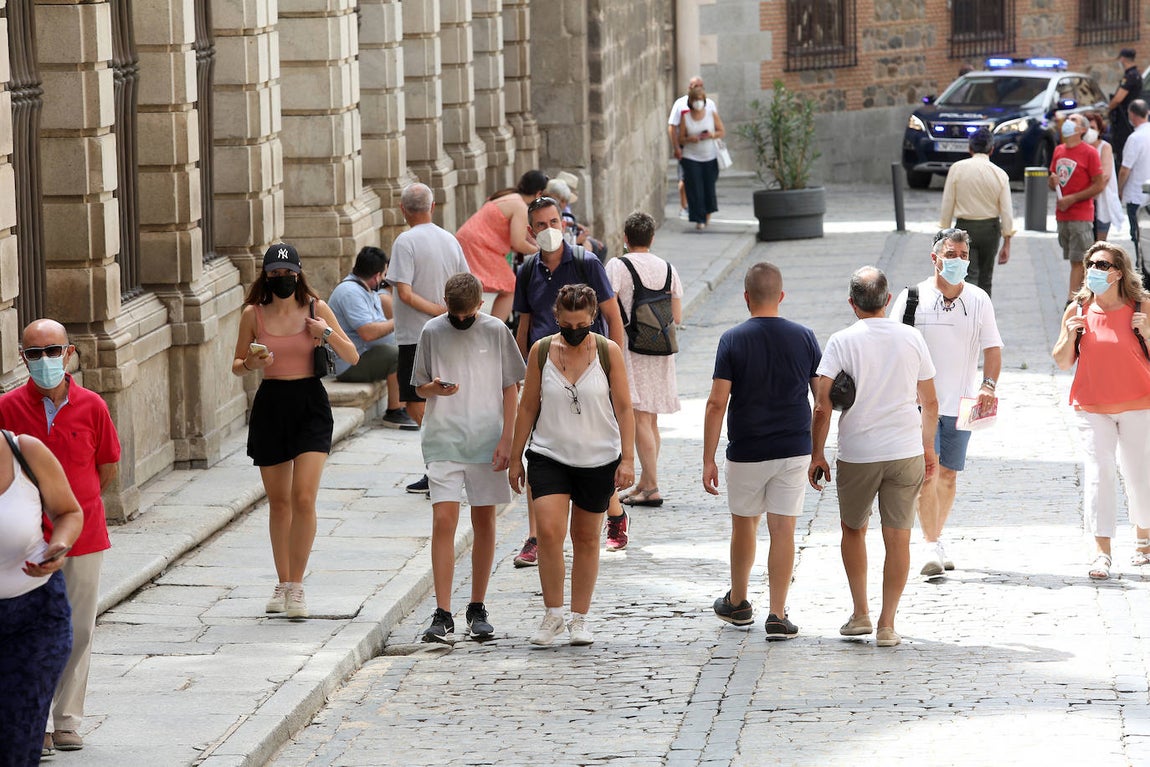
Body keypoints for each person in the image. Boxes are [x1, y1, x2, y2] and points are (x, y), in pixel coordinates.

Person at [0, 319, 122, 755]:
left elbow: (107, 467)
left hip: (83, 535)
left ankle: (67, 719)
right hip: (25, 543)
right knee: (32, 636)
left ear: (68, 353)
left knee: (79, 630)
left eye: (54, 351)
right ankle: (37, 725)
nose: (46, 360)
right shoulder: (7, 408)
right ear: (23, 358)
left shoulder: (92, 406)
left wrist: (75, 507)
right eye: (35, 354)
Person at [809, 266, 939, 648]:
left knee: (854, 529)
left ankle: (860, 613)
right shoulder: (912, 338)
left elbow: (821, 406)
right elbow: (930, 402)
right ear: (886, 300)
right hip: (904, 450)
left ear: (852, 303)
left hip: (859, 452)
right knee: (898, 538)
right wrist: (928, 447)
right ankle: (887, 624)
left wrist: (817, 453)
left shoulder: (841, 341)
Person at [232, 242, 359, 619]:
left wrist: (325, 333)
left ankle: (298, 587)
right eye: (275, 274)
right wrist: (253, 361)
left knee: (304, 497)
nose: (282, 279)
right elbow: (237, 365)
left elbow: (352, 355)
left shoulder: (316, 309)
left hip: (310, 405)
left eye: (288, 273)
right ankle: (283, 582)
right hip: (271, 404)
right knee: (280, 502)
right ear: (266, 276)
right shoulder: (252, 314)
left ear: (298, 273)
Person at [508, 284, 635, 646]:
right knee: (548, 532)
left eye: (581, 323)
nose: (574, 330)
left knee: (585, 538)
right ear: (557, 318)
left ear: (592, 318)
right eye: (567, 323)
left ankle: (580, 617)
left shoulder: (609, 353)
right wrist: (516, 457)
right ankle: (553, 614)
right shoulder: (542, 351)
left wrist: (628, 458)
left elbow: (625, 408)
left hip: (598, 458)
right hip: (549, 454)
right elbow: (528, 405)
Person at [702, 262, 820, 640]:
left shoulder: (733, 339)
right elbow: (821, 401)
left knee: (744, 524)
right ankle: (777, 613)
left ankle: (738, 602)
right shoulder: (804, 337)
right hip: (793, 446)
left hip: (747, 449)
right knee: (783, 528)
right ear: (781, 297)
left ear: (746, 298)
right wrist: (818, 451)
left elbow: (717, 403)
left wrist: (708, 458)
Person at [512, 196, 628, 562]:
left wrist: (613, 367)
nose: (549, 230)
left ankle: (615, 513)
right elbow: (524, 325)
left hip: (590, 367)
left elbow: (612, 316)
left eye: (554, 222)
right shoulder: (527, 271)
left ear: (564, 224)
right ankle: (535, 537)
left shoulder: (586, 262)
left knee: (591, 446)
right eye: (541, 225)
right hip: (545, 366)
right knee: (542, 451)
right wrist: (519, 373)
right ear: (531, 232)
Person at [412, 273, 525, 643]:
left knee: (484, 520)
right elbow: (419, 385)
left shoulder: (495, 331)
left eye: (467, 316)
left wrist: (509, 441)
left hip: (487, 440)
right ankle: (442, 612)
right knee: (444, 519)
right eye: (454, 316)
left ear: (480, 306)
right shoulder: (431, 331)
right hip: (443, 439)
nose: (460, 322)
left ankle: (477, 606)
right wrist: (436, 389)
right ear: (447, 306)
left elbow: (511, 388)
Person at [890, 229, 1004, 578]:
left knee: (950, 476)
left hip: (965, 401)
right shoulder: (912, 297)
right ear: (935, 257)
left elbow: (993, 348)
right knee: (928, 472)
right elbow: (893, 346)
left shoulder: (979, 299)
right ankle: (930, 543)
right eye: (951, 254)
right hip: (920, 405)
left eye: (963, 255)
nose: (958, 261)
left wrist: (988, 385)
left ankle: (935, 539)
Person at [1052, 241, 1150, 580]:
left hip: (1139, 404)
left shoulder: (1142, 306)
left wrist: (1147, 333)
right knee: (1099, 474)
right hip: (1091, 407)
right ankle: (1102, 552)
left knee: (1139, 476)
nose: (1094, 269)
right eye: (1091, 263)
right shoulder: (1078, 309)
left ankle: (1143, 540)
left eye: (1103, 265)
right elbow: (1063, 361)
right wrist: (1068, 335)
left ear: (1119, 273)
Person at [0, 429, 83, 767]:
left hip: (36, 617)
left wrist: (58, 546)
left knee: (18, 739)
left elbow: (69, 512)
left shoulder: (25, 451)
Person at [389, 183, 472, 494]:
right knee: (435, 398)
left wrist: (436, 310)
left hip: (416, 334)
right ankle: (444, 462)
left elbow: (405, 292)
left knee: (414, 402)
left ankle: (441, 463)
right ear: (433, 207)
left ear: (402, 210)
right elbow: (466, 282)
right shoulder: (450, 240)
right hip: (448, 331)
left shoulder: (405, 241)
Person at [605, 211, 682, 507]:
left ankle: (652, 487)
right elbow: (676, 315)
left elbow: (607, 304)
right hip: (661, 349)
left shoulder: (617, 265)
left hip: (631, 348)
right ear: (651, 238)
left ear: (625, 238)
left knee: (639, 418)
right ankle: (646, 482)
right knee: (651, 420)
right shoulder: (668, 268)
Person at [327, 246, 418, 430]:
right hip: (348, 364)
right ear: (377, 275)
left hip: (363, 355)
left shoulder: (365, 290)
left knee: (405, 348)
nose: (384, 280)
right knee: (396, 354)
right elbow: (368, 332)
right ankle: (394, 411)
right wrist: (399, 320)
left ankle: (406, 405)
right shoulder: (350, 292)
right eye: (384, 274)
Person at [454, 170, 548, 322]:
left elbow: (524, 234)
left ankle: (476, 324)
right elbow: (517, 242)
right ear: (538, 193)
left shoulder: (510, 197)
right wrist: (539, 250)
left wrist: (536, 243)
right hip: (478, 244)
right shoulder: (520, 206)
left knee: (469, 286)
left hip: (471, 240)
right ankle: (494, 328)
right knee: (511, 287)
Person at [938, 127, 1014, 296]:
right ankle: (983, 316)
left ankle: (966, 312)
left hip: (964, 227)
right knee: (986, 278)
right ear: (992, 149)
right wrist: (1007, 240)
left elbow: (948, 202)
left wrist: (943, 232)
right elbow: (1006, 211)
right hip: (991, 229)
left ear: (969, 148)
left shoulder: (957, 169)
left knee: (967, 275)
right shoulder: (1000, 173)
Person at [1050, 113, 1106, 303]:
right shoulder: (1058, 150)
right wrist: (1052, 181)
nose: (1067, 122)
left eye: (1073, 120)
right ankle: (1083, 298)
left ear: (1082, 129)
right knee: (1073, 259)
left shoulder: (1089, 152)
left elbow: (1099, 184)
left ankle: (1072, 303)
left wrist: (1073, 198)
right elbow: (1054, 179)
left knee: (1079, 261)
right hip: (1062, 216)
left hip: (1081, 216)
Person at [677, 83, 725, 231]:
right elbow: (681, 139)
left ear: (704, 100)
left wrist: (711, 135)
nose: (698, 101)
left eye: (700, 98)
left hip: (709, 156)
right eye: (695, 99)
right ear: (691, 101)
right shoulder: (686, 117)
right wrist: (690, 139)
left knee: (708, 187)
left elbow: (721, 131)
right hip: (691, 157)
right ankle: (699, 218)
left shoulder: (711, 114)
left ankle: (707, 214)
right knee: (695, 188)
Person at [667, 76, 714, 220]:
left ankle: (704, 213)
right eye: (695, 86)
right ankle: (685, 206)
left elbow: (716, 124)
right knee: (685, 180)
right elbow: (672, 127)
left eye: (701, 85)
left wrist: (711, 136)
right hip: (687, 147)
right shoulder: (680, 104)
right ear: (689, 88)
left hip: (706, 150)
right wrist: (676, 147)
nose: (698, 88)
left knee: (704, 182)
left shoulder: (710, 104)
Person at [1118, 99, 1150, 267]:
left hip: (1137, 197)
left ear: (1132, 114)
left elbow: (1125, 169)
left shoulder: (1135, 138)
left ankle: (1143, 277)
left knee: (1138, 240)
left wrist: (1119, 189)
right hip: (1144, 194)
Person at [545, 176, 607, 262]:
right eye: (563, 201)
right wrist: (577, 241)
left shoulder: (557, 212)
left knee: (597, 249)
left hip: (569, 242)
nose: (564, 204)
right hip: (561, 251)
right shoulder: (548, 213)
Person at [1085, 111, 1125, 242]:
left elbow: (1105, 175)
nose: (1089, 132)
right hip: (1083, 203)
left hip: (1101, 201)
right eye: (1087, 128)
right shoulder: (1080, 148)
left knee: (1099, 245)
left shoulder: (1104, 147)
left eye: (1093, 128)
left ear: (1099, 130)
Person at [1108, 48, 1143, 166]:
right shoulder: (1136, 74)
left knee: (1122, 150)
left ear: (1123, 59)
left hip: (1125, 120)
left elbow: (1118, 99)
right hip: (1129, 117)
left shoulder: (1130, 76)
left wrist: (1108, 109)